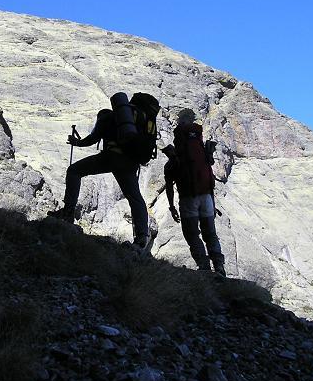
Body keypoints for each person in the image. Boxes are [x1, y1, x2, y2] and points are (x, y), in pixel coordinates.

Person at [49, 108, 151, 248]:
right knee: (135, 197)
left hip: (111, 158)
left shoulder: (105, 118)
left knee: (74, 171)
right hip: (130, 163)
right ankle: (142, 236)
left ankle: (68, 212)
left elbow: (93, 138)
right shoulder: (131, 123)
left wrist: (77, 142)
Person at [163, 108, 226, 276]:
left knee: (192, 234)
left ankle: (204, 267)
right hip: (207, 198)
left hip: (188, 198)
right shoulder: (203, 154)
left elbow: (169, 186)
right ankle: (219, 266)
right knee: (210, 234)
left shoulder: (174, 160)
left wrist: (171, 207)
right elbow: (209, 177)